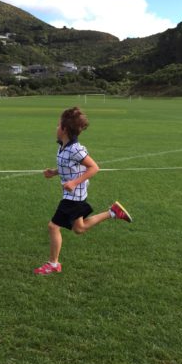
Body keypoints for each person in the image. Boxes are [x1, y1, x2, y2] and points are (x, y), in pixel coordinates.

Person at [34, 106, 132, 275]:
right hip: (72, 193)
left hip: (74, 196)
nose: (56, 128)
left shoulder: (75, 149)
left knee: (53, 226)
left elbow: (94, 168)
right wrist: (54, 172)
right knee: (79, 229)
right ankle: (112, 212)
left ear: (64, 129)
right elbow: (69, 166)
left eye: (58, 125)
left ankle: (53, 264)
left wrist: (74, 183)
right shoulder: (63, 146)